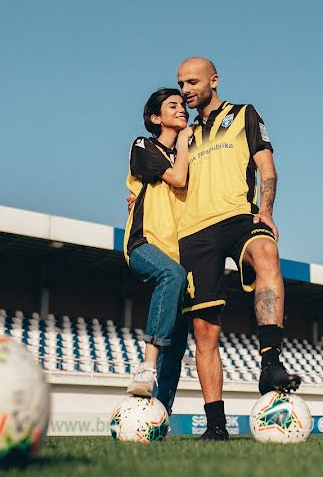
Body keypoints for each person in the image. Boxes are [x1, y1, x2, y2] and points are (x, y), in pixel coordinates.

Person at [176, 56, 301, 441]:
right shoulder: (184, 136)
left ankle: (271, 362)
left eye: (193, 82)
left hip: (240, 216)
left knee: (267, 253)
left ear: (214, 80)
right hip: (195, 233)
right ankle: (216, 426)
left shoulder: (244, 114)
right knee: (204, 331)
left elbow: (268, 167)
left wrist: (266, 210)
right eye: (181, 84)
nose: (186, 91)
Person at [123, 88, 192, 411]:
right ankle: (146, 365)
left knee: (177, 346)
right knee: (170, 273)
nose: (182, 109)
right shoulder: (144, 145)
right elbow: (177, 179)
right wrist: (184, 139)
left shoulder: (187, 154)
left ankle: (159, 415)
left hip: (180, 253)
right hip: (144, 244)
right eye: (173, 106)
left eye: (183, 105)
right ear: (155, 117)